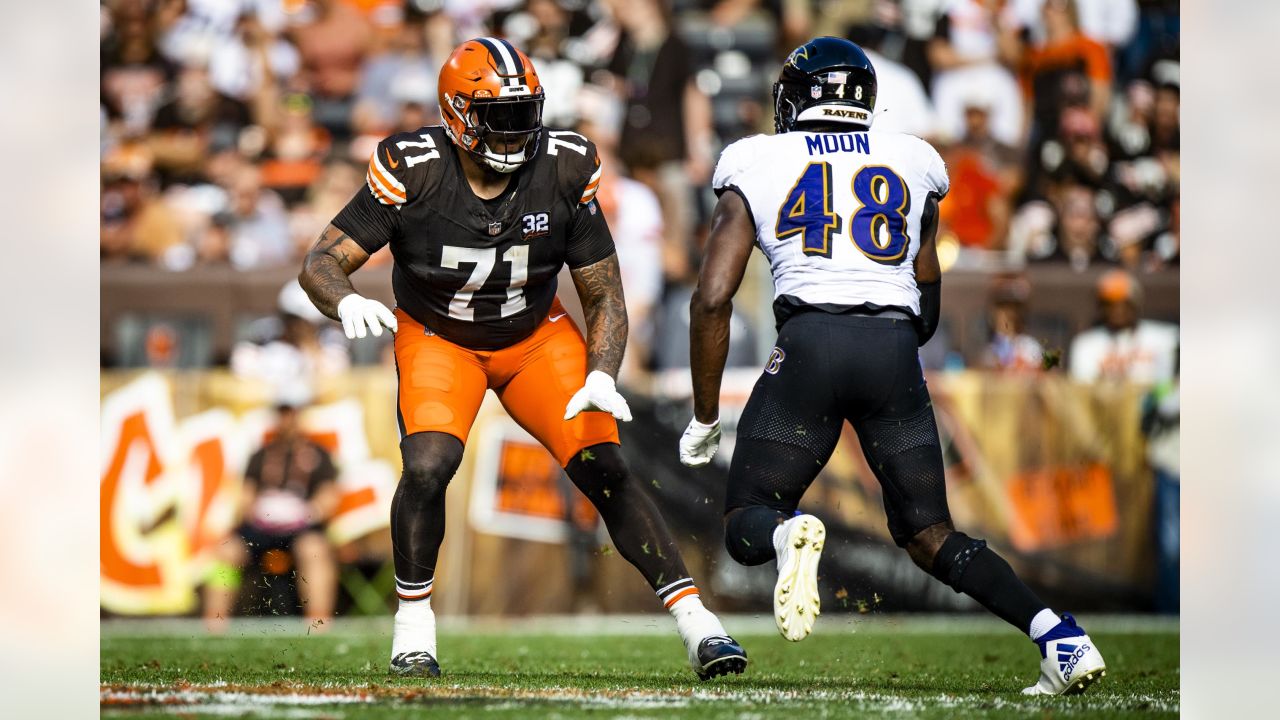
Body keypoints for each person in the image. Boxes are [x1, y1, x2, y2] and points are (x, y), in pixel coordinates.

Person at [298, 38, 745, 681]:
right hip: (439, 336)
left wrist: (600, 372)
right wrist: (341, 302)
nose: (513, 131)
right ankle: (413, 631)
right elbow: (321, 261)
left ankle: (701, 627)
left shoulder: (563, 165)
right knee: (428, 464)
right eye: (496, 115)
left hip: (535, 338)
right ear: (455, 115)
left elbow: (603, 292)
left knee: (606, 467)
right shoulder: (414, 167)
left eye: (522, 112)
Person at [678, 37, 1106, 696]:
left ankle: (790, 532)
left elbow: (711, 298)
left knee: (746, 522)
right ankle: (1060, 637)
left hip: (811, 344)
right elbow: (926, 293)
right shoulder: (913, 159)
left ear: (795, 98)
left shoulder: (756, 159)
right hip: (893, 350)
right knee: (930, 533)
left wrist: (705, 415)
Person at [203, 397, 341, 634]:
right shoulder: (261, 455)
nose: (287, 421)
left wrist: (306, 513)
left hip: (301, 526)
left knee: (314, 549)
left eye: (291, 414)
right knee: (226, 550)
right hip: (262, 526)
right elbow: (246, 495)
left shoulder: (319, 455)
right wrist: (256, 512)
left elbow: (328, 496)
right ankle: (215, 621)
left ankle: (318, 621)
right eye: (283, 414)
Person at [1068, 269, 1178, 384]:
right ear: (1100, 308)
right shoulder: (1086, 345)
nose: (1117, 310)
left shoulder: (1165, 338)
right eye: (1109, 304)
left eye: (1124, 303)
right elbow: (1083, 388)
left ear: (1136, 304)